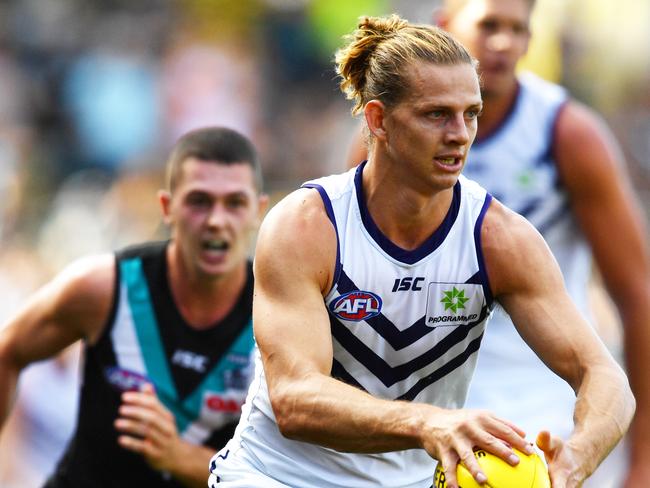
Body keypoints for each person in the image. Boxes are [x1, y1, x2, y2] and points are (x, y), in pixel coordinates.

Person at [208, 14, 634, 488]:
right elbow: (294, 400)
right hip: (278, 476)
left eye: (470, 113)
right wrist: (429, 422)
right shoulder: (306, 225)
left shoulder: (500, 239)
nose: (460, 133)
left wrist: (575, 460)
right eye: (437, 114)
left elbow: (605, 377)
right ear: (379, 119)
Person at [347, 1, 650, 486]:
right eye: (489, 25)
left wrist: (643, 460)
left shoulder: (567, 135)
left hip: (536, 399)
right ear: (447, 26)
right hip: (427, 403)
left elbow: (636, 295)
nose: (505, 43)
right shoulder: (389, 142)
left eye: (519, 29)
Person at [0, 126, 269, 487]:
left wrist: (180, 457)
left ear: (258, 211)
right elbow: (7, 352)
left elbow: (281, 475)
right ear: (167, 207)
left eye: (235, 203)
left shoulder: (276, 313)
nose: (216, 221)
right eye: (199, 201)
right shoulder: (105, 287)